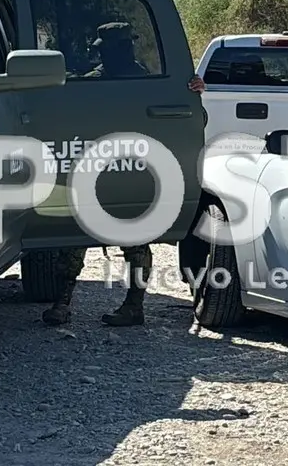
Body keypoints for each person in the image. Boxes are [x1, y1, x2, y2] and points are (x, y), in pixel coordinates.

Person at [39, 22, 205, 328]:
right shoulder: (92, 81)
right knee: (74, 238)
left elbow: (192, 120)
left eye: (122, 45)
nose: (121, 51)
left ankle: (133, 305)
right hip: (97, 168)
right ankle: (62, 302)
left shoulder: (151, 81)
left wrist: (191, 91)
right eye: (115, 47)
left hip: (133, 171)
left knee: (136, 241)